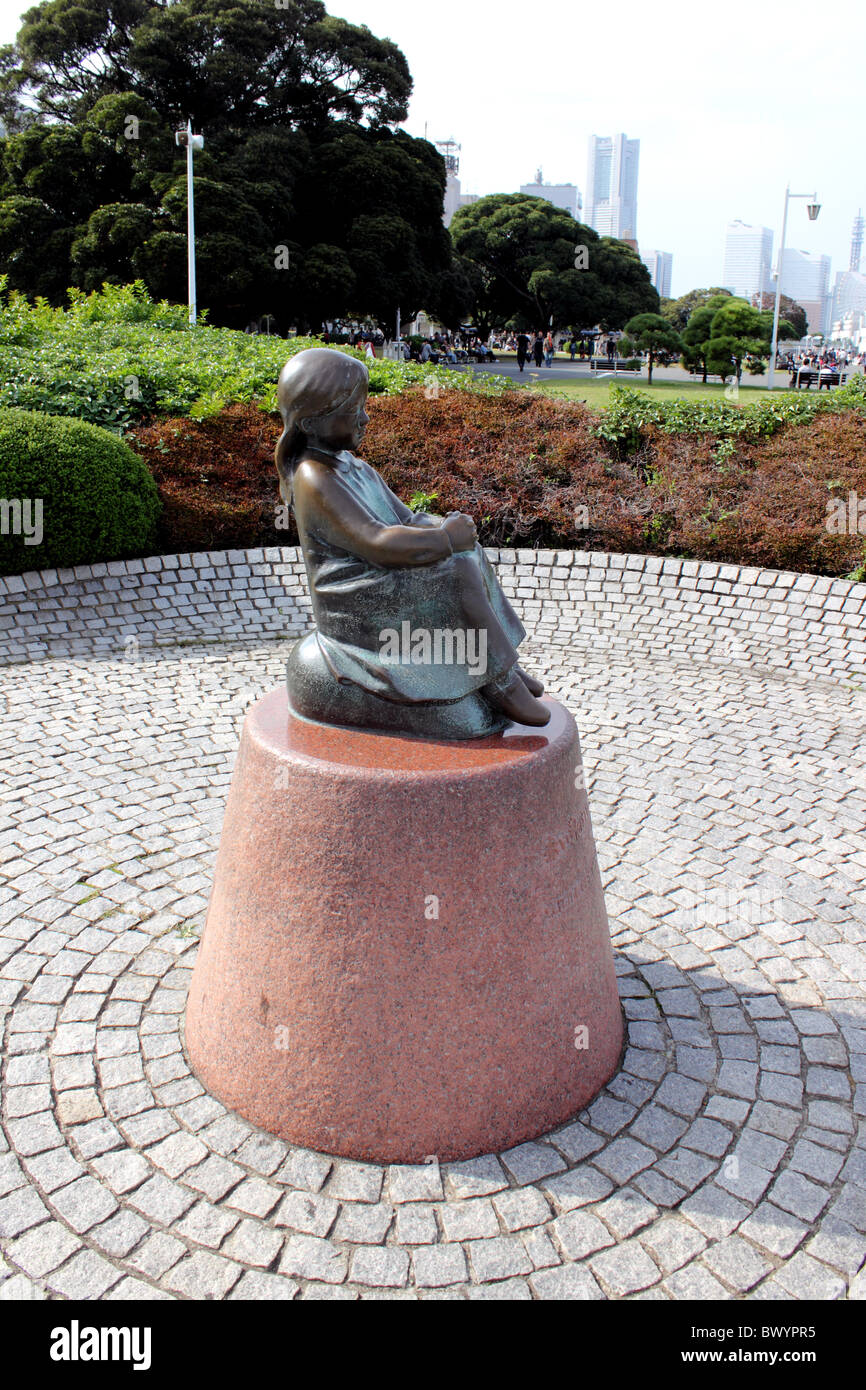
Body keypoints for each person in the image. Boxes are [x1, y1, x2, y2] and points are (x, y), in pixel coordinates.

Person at [274, 349, 550, 731]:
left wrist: (444, 528)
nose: (365, 418)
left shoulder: (356, 467)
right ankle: (498, 681)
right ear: (310, 422)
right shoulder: (313, 477)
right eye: (354, 409)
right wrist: (445, 543)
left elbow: (405, 519)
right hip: (354, 600)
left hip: (380, 577)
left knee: (469, 555)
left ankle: (503, 666)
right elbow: (376, 541)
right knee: (453, 571)